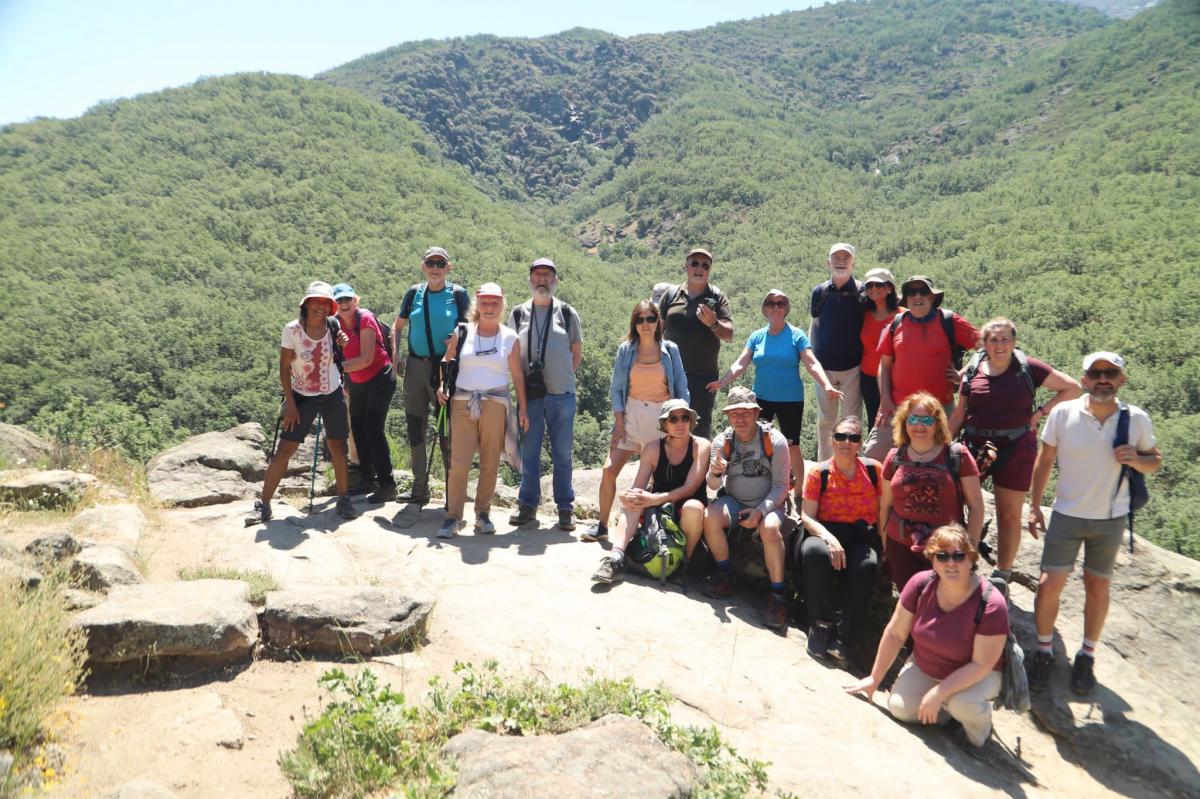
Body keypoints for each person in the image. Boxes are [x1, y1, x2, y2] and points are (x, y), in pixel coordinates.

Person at [1025, 352, 1161, 696]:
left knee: (1097, 586)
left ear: (1121, 380)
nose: (1103, 379)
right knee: (1048, 583)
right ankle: (1044, 651)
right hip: (1067, 512)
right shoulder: (1062, 413)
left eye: (1110, 373)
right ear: (1084, 380)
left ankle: (1086, 655)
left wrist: (1137, 459)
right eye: (1096, 373)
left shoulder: (1137, 420)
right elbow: (1045, 460)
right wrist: (1035, 505)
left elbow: (1154, 461)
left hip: (1111, 517)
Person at [844, 524, 1009, 751]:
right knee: (899, 708)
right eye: (942, 556)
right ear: (932, 559)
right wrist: (874, 679)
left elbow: (982, 664)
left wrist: (940, 692)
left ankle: (979, 733)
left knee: (962, 702)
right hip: (929, 667)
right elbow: (895, 633)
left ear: (971, 559)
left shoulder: (991, 603)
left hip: (980, 675)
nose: (950, 563)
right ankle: (948, 712)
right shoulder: (921, 584)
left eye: (959, 556)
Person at [948, 318, 1082, 581]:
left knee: (1008, 515)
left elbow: (1073, 388)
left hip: (1016, 448)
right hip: (975, 447)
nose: (1000, 344)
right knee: (955, 502)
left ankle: (1002, 575)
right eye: (994, 339)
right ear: (984, 343)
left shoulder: (1027, 367)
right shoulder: (974, 369)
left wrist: (1040, 413)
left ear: (1014, 341)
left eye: (1005, 339)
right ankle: (959, 562)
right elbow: (961, 411)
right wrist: (942, 447)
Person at [709, 289, 843, 505]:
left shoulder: (796, 335)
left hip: (790, 399)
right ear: (765, 309)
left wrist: (826, 385)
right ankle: (768, 487)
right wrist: (722, 381)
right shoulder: (757, 336)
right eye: (771, 303)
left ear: (786, 308)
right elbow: (741, 363)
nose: (776, 307)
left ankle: (799, 491)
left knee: (792, 445)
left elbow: (811, 362)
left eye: (780, 303)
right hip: (760, 400)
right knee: (759, 442)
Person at [246, 281, 359, 524]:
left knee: (338, 447)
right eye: (315, 302)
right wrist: (291, 403)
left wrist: (342, 344)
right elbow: (284, 368)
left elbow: (338, 355)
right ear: (306, 304)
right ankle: (263, 504)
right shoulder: (292, 330)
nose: (320, 306)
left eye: (325, 303)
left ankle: (343, 498)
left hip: (332, 393)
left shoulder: (333, 325)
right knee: (285, 450)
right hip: (302, 396)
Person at [582, 301, 689, 543]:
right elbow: (617, 388)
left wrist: (681, 422)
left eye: (650, 319)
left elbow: (682, 387)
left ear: (658, 321)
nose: (645, 324)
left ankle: (649, 529)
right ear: (634, 323)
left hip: (661, 421)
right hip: (631, 417)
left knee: (656, 480)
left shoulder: (670, 350)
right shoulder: (626, 350)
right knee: (609, 470)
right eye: (640, 319)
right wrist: (618, 423)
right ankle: (601, 525)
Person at [436, 283, 528, 539]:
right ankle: (453, 516)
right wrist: (441, 385)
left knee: (489, 461)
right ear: (477, 304)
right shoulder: (463, 331)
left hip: (495, 403)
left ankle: (482, 513)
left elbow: (518, 376)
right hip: (462, 402)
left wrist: (523, 409)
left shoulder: (510, 337)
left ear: (502, 305)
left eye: (494, 302)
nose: (489, 307)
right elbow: (446, 361)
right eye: (485, 302)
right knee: (459, 463)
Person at [701, 387, 792, 630]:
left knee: (770, 529)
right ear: (728, 416)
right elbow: (712, 484)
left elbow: (782, 487)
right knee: (709, 517)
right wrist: (716, 470)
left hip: (769, 502)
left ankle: (777, 595)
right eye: (734, 414)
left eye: (746, 413)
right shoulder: (722, 442)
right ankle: (724, 573)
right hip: (735, 501)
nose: (740, 419)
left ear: (757, 413)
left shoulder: (775, 441)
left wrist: (761, 511)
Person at [592, 399, 710, 584]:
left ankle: (682, 565)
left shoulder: (700, 446)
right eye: (673, 419)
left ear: (691, 421)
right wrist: (628, 495)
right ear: (664, 424)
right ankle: (615, 559)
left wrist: (654, 499)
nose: (680, 423)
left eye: (685, 418)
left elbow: (691, 488)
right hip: (658, 506)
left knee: (694, 508)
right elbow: (639, 486)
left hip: (687, 505)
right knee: (634, 500)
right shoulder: (653, 448)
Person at [864, 275, 979, 461]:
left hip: (939, 408)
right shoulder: (896, 324)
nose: (917, 296)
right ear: (906, 299)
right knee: (874, 456)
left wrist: (963, 374)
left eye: (923, 291)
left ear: (932, 297)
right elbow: (884, 365)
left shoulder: (949, 321)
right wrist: (884, 399)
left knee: (941, 461)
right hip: (897, 407)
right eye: (911, 292)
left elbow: (985, 347)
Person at [878, 392, 984, 591]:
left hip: (946, 547)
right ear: (904, 422)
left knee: (941, 603)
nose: (919, 425)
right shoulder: (895, 457)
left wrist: (969, 550)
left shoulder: (957, 455)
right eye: (913, 419)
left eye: (926, 419)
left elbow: (976, 506)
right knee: (910, 603)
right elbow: (885, 507)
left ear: (937, 423)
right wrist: (886, 546)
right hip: (901, 546)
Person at [507, 258, 583, 532]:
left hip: (562, 395)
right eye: (537, 275)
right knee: (530, 452)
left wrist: (560, 376)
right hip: (530, 397)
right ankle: (528, 505)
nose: (542, 280)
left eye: (547, 276)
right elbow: (512, 357)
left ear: (555, 281)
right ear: (530, 280)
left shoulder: (566, 312)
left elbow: (577, 352)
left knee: (563, 454)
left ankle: (565, 508)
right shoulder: (517, 314)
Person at [798, 415, 882, 663]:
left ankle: (844, 639)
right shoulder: (819, 473)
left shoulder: (874, 471)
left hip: (860, 536)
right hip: (824, 530)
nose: (846, 442)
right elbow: (807, 516)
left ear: (860, 443)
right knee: (815, 553)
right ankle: (820, 626)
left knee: (867, 565)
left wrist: (884, 546)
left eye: (853, 437)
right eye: (841, 436)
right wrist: (829, 538)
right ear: (832, 440)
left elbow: (882, 511)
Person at [392, 247, 470, 506]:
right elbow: (398, 325)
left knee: (447, 431)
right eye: (430, 263)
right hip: (415, 367)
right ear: (423, 266)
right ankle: (418, 489)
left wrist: (456, 342)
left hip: (445, 371)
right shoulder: (414, 293)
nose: (435, 268)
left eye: (440, 263)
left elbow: (468, 329)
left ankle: (453, 492)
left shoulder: (457, 295)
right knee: (415, 428)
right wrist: (395, 356)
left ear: (449, 268)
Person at [332, 283, 397, 503]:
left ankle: (387, 484)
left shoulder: (366, 318)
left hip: (380, 376)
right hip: (357, 380)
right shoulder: (335, 323)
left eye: (347, 299)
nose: (344, 304)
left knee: (373, 427)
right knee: (357, 427)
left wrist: (336, 368)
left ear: (355, 300)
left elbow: (367, 359)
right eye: (339, 300)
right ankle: (367, 479)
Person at [658, 247, 733, 438]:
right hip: (670, 374)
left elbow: (728, 334)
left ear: (709, 270)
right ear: (686, 266)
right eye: (695, 263)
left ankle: (700, 468)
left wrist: (713, 323)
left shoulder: (717, 297)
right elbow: (656, 331)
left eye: (705, 265)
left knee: (698, 430)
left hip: (702, 378)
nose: (699, 268)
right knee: (668, 426)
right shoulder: (670, 295)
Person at [809, 243, 866, 461]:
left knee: (852, 422)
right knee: (826, 422)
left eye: (846, 257)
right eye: (836, 257)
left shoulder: (862, 292)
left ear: (853, 262)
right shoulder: (820, 292)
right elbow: (815, 326)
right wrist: (813, 362)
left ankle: (850, 469)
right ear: (828, 262)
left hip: (854, 367)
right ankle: (825, 470)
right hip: (825, 369)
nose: (841, 261)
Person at [859, 267, 902, 431]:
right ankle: (876, 457)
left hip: (895, 379)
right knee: (874, 423)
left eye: (879, 285)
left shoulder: (902, 315)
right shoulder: (863, 313)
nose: (874, 289)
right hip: (868, 378)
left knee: (898, 421)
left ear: (890, 288)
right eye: (870, 286)